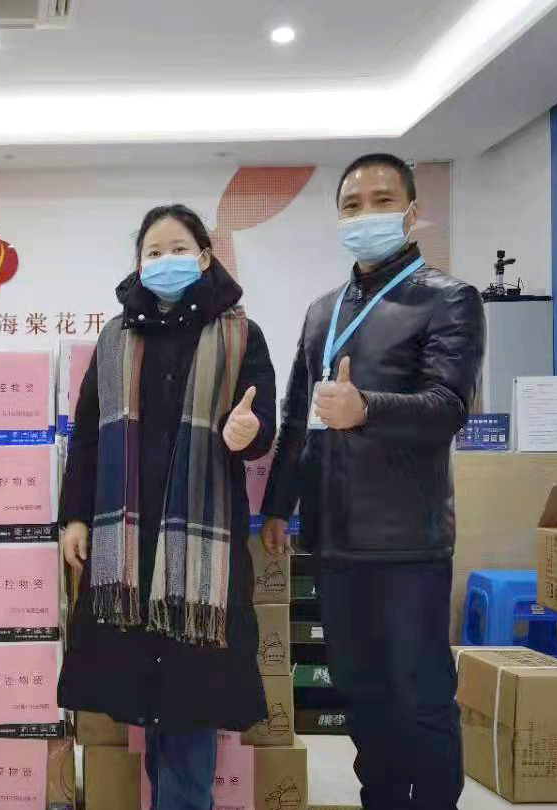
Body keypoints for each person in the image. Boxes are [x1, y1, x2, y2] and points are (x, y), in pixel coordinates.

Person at [261, 154, 485, 810]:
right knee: (360, 691)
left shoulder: (448, 299)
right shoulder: (322, 311)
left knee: (422, 695)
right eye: (352, 205)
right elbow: (295, 419)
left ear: (412, 213)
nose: (366, 215)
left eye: (382, 201)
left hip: (409, 540)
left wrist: (367, 409)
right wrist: (277, 506)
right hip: (334, 538)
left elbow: (449, 407)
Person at [59, 205, 277, 810]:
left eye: (178, 248)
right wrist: (74, 516)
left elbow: (261, 429)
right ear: (138, 264)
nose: (165, 261)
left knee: (190, 698)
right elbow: (87, 435)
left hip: (202, 549)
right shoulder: (115, 338)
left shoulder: (241, 335)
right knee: (152, 698)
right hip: (130, 542)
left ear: (205, 256)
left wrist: (248, 433)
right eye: (153, 252)